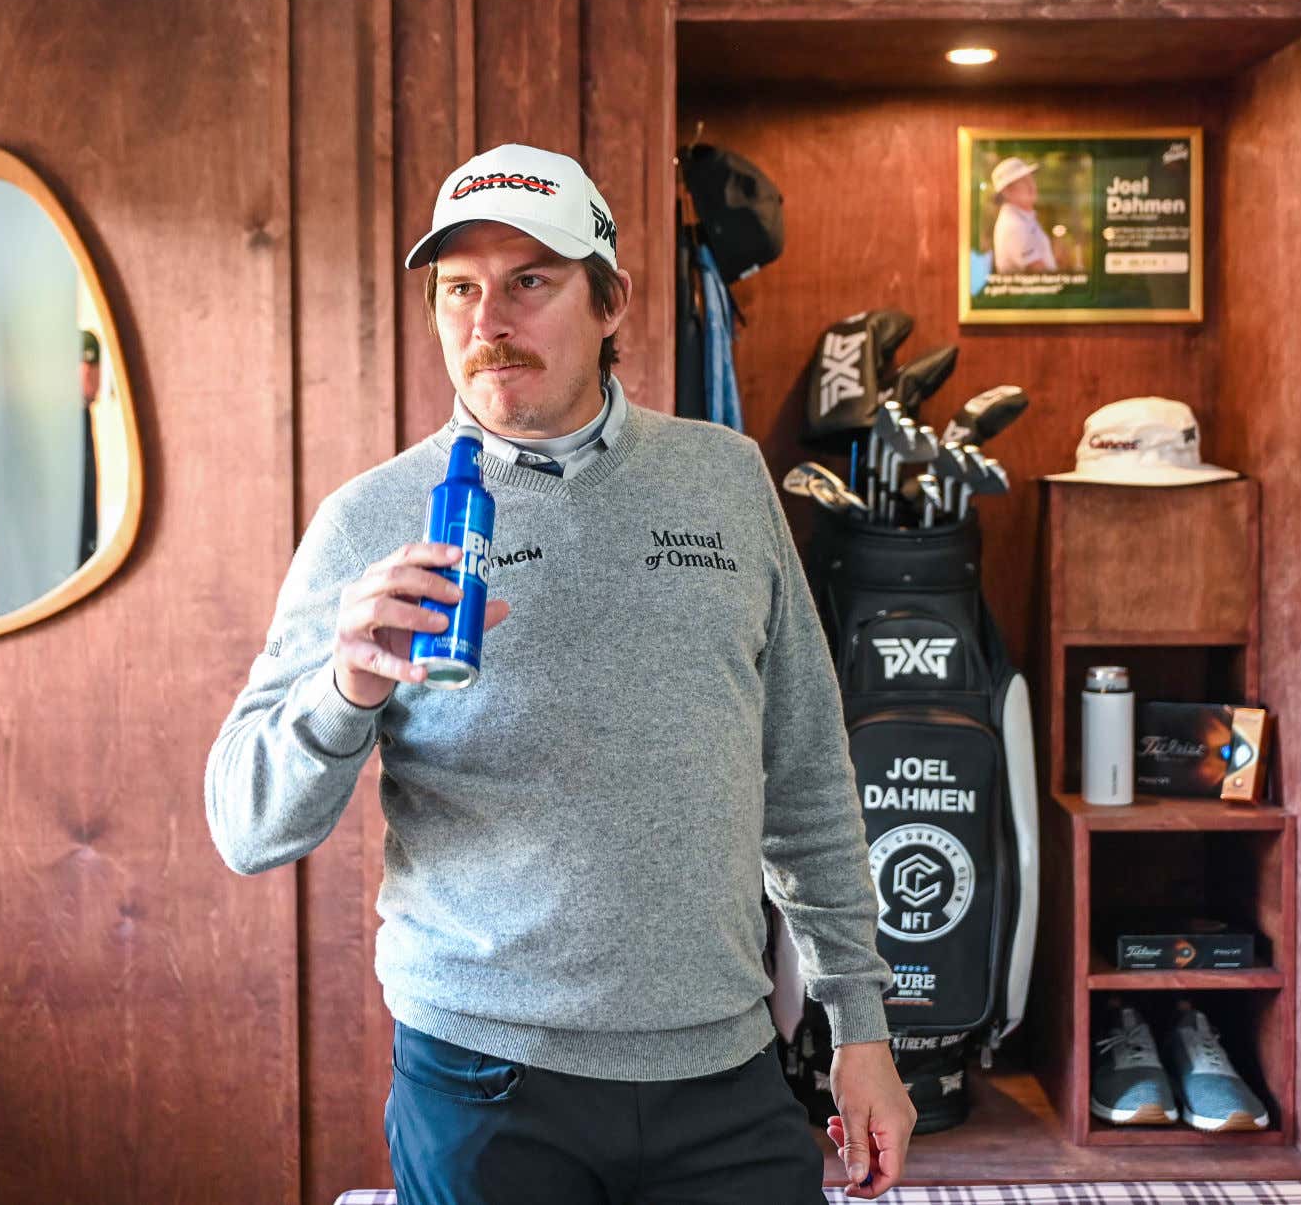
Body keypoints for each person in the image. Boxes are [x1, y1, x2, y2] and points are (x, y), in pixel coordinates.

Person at [204, 141, 915, 1203]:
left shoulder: (722, 480)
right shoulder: (372, 520)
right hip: (484, 1085)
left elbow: (804, 773)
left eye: (529, 281)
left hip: (720, 1066)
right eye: (459, 289)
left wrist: (860, 1024)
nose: (488, 321)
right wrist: (342, 689)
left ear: (610, 299)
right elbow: (246, 826)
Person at [989, 155, 1055, 275]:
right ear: (1006, 191)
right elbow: (1039, 272)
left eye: (1030, 178)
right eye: (1022, 182)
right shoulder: (1013, 225)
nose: (1031, 185)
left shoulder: (1023, 219)